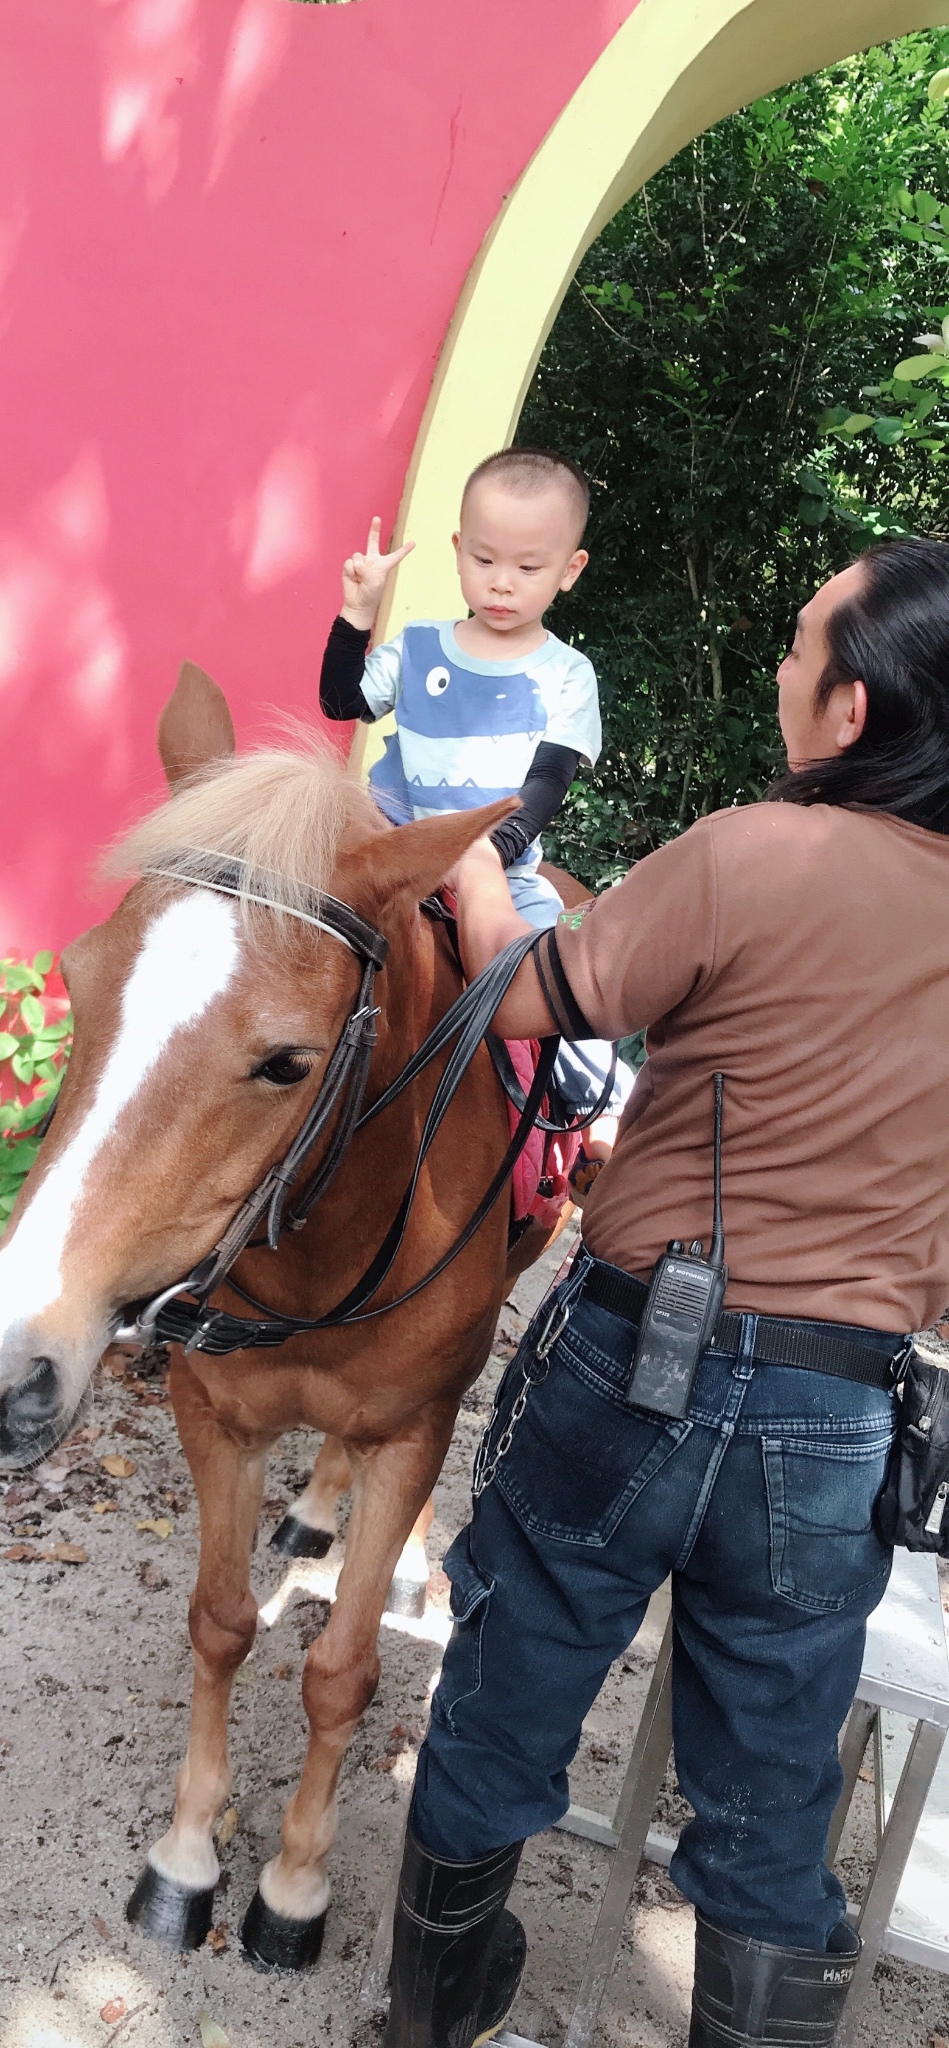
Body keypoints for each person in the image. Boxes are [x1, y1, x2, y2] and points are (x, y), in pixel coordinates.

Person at [383, 538, 949, 2048]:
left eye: (797, 642)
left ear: (851, 709)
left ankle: (425, 2026)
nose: (780, 667)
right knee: (772, 1804)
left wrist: (469, 866)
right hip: (839, 1410)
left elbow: (518, 1002)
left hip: (637, 1360)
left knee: (510, 1695)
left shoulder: (753, 849)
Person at [318, 447, 600, 930]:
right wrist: (358, 613)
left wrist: (483, 858)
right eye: (484, 559)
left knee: (542, 974)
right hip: (385, 850)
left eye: (528, 568)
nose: (501, 584)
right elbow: (340, 702)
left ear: (570, 570)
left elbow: (547, 783)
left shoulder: (568, 673)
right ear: (458, 549)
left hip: (496, 871)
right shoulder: (418, 646)